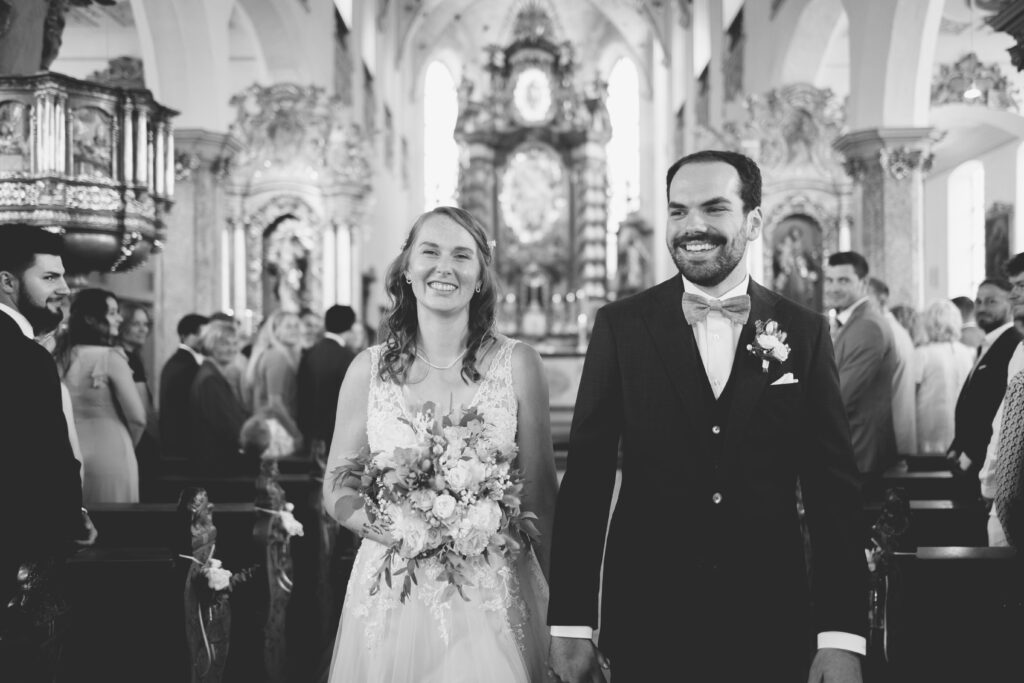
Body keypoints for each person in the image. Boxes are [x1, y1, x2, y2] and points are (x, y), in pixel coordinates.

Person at [547, 151, 866, 683]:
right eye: (678, 211)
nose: (692, 226)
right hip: (648, 618)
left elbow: (832, 490)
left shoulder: (804, 331)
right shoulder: (621, 326)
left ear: (754, 222)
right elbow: (586, 481)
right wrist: (571, 624)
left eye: (714, 208)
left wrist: (841, 637)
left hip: (771, 617)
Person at [322, 206, 558, 682]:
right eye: (430, 252)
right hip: (392, 591)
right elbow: (336, 487)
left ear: (480, 277)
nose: (444, 267)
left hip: (494, 593)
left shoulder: (519, 364)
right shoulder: (367, 370)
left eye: (462, 255)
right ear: (407, 269)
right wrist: (402, 527)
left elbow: (542, 500)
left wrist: (568, 623)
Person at [0, 225, 97, 677]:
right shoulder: (24, 356)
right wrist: (72, 518)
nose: (64, 288)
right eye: (50, 277)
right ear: (7, 281)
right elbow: (45, 459)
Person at [56, 289, 147, 503]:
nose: (119, 319)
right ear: (91, 319)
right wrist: (127, 446)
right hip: (111, 453)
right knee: (116, 521)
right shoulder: (111, 357)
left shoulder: (60, 356)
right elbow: (138, 419)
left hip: (70, 453)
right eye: (112, 312)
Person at [825, 252, 898, 476]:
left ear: (863, 283)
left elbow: (839, 397)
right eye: (830, 280)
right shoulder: (853, 321)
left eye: (843, 280)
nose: (834, 288)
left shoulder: (867, 326)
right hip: (851, 448)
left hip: (859, 451)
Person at [947, 278, 1021, 494]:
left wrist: (969, 456)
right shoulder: (990, 342)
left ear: (1011, 304)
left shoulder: (1012, 343)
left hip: (983, 464)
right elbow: (973, 399)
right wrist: (957, 446)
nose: (982, 308)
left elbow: (996, 409)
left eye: (991, 301)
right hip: (970, 459)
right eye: (978, 302)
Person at [978, 255, 1024, 546]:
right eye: (1013, 286)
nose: (1014, 294)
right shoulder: (1020, 348)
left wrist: (994, 487)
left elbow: (1010, 433)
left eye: (1022, 285)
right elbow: (1005, 424)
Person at [297, 304, 357, 462]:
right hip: (336, 430)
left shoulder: (310, 352)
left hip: (309, 428)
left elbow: (301, 393)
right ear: (350, 327)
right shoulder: (347, 357)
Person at [914, 300, 975, 454]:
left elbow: (911, 394)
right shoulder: (967, 352)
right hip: (961, 428)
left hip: (930, 428)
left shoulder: (922, 353)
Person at [188, 321, 249, 475]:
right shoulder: (210, 379)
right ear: (211, 345)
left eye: (234, 343)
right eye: (225, 344)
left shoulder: (212, 373)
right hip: (216, 463)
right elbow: (226, 424)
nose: (232, 349)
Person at [868, 277, 917, 457]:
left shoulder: (879, 331)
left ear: (881, 300)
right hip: (897, 428)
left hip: (887, 435)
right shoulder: (893, 328)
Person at [117, 301, 159, 495]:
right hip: (135, 444)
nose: (143, 329)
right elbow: (143, 413)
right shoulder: (128, 358)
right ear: (122, 325)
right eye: (136, 324)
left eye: (146, 324)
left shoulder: (131, 356)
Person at [245, 310, 303, 447]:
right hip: (276, 430)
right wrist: (296, 433)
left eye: (296, 326)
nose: (294, 330)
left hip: (274, 427)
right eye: (288, 326)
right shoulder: (277, 356)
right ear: (275, 331)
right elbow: (275, 403)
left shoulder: (277, 354)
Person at [159, 313, 209, 460]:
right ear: (184, 335)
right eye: (199, 334)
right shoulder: (186, 365)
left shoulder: (180, 361)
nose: (203, 339)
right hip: (184, 443)